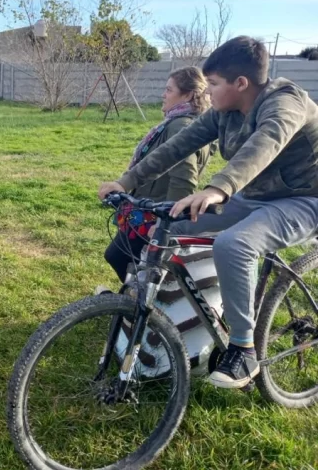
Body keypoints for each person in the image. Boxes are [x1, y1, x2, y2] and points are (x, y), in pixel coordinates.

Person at [99, 36, 318, 389]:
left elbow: (267, 142)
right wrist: (127, 180)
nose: (207, 92)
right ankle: (153, 311)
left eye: (213, 84)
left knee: (234, 245)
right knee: (167, 224)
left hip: (306, 200)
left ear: (241, 83)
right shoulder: (225, 113)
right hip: (256, 195)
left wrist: (219, 187)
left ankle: (244, 349)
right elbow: (177, 146)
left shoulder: (286, 102)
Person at [104, 67, 213, 282]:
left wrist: (169, 223)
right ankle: (133, 301)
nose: (164, 94)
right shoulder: (179, 122)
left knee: (121, 257)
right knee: (132, 261)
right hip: (147, 206)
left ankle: (137, 304)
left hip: (156, 212)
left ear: (188, 94)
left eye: (169, 89)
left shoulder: (182, 125)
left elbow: (185, 178)